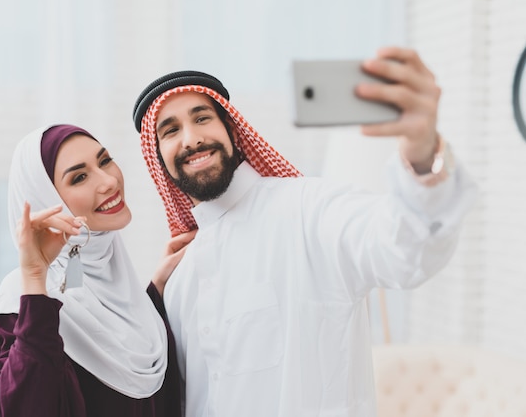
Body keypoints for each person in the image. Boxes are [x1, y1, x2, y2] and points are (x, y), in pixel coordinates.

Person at [131, 47, 479, 416]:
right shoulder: (181, 278)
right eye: (170, 131)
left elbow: (408, 252)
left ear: (232, 130)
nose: (190, 138)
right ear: (158, 161)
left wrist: (423, 154)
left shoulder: (309, 211)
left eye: (202, 118)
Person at [0, 124, 194, 417]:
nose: (108, 181)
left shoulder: (119, 279)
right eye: (79, 177)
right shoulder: (23, 297)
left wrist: (154, 295)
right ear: (47, 199)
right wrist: (36, 279)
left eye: (104, 161)